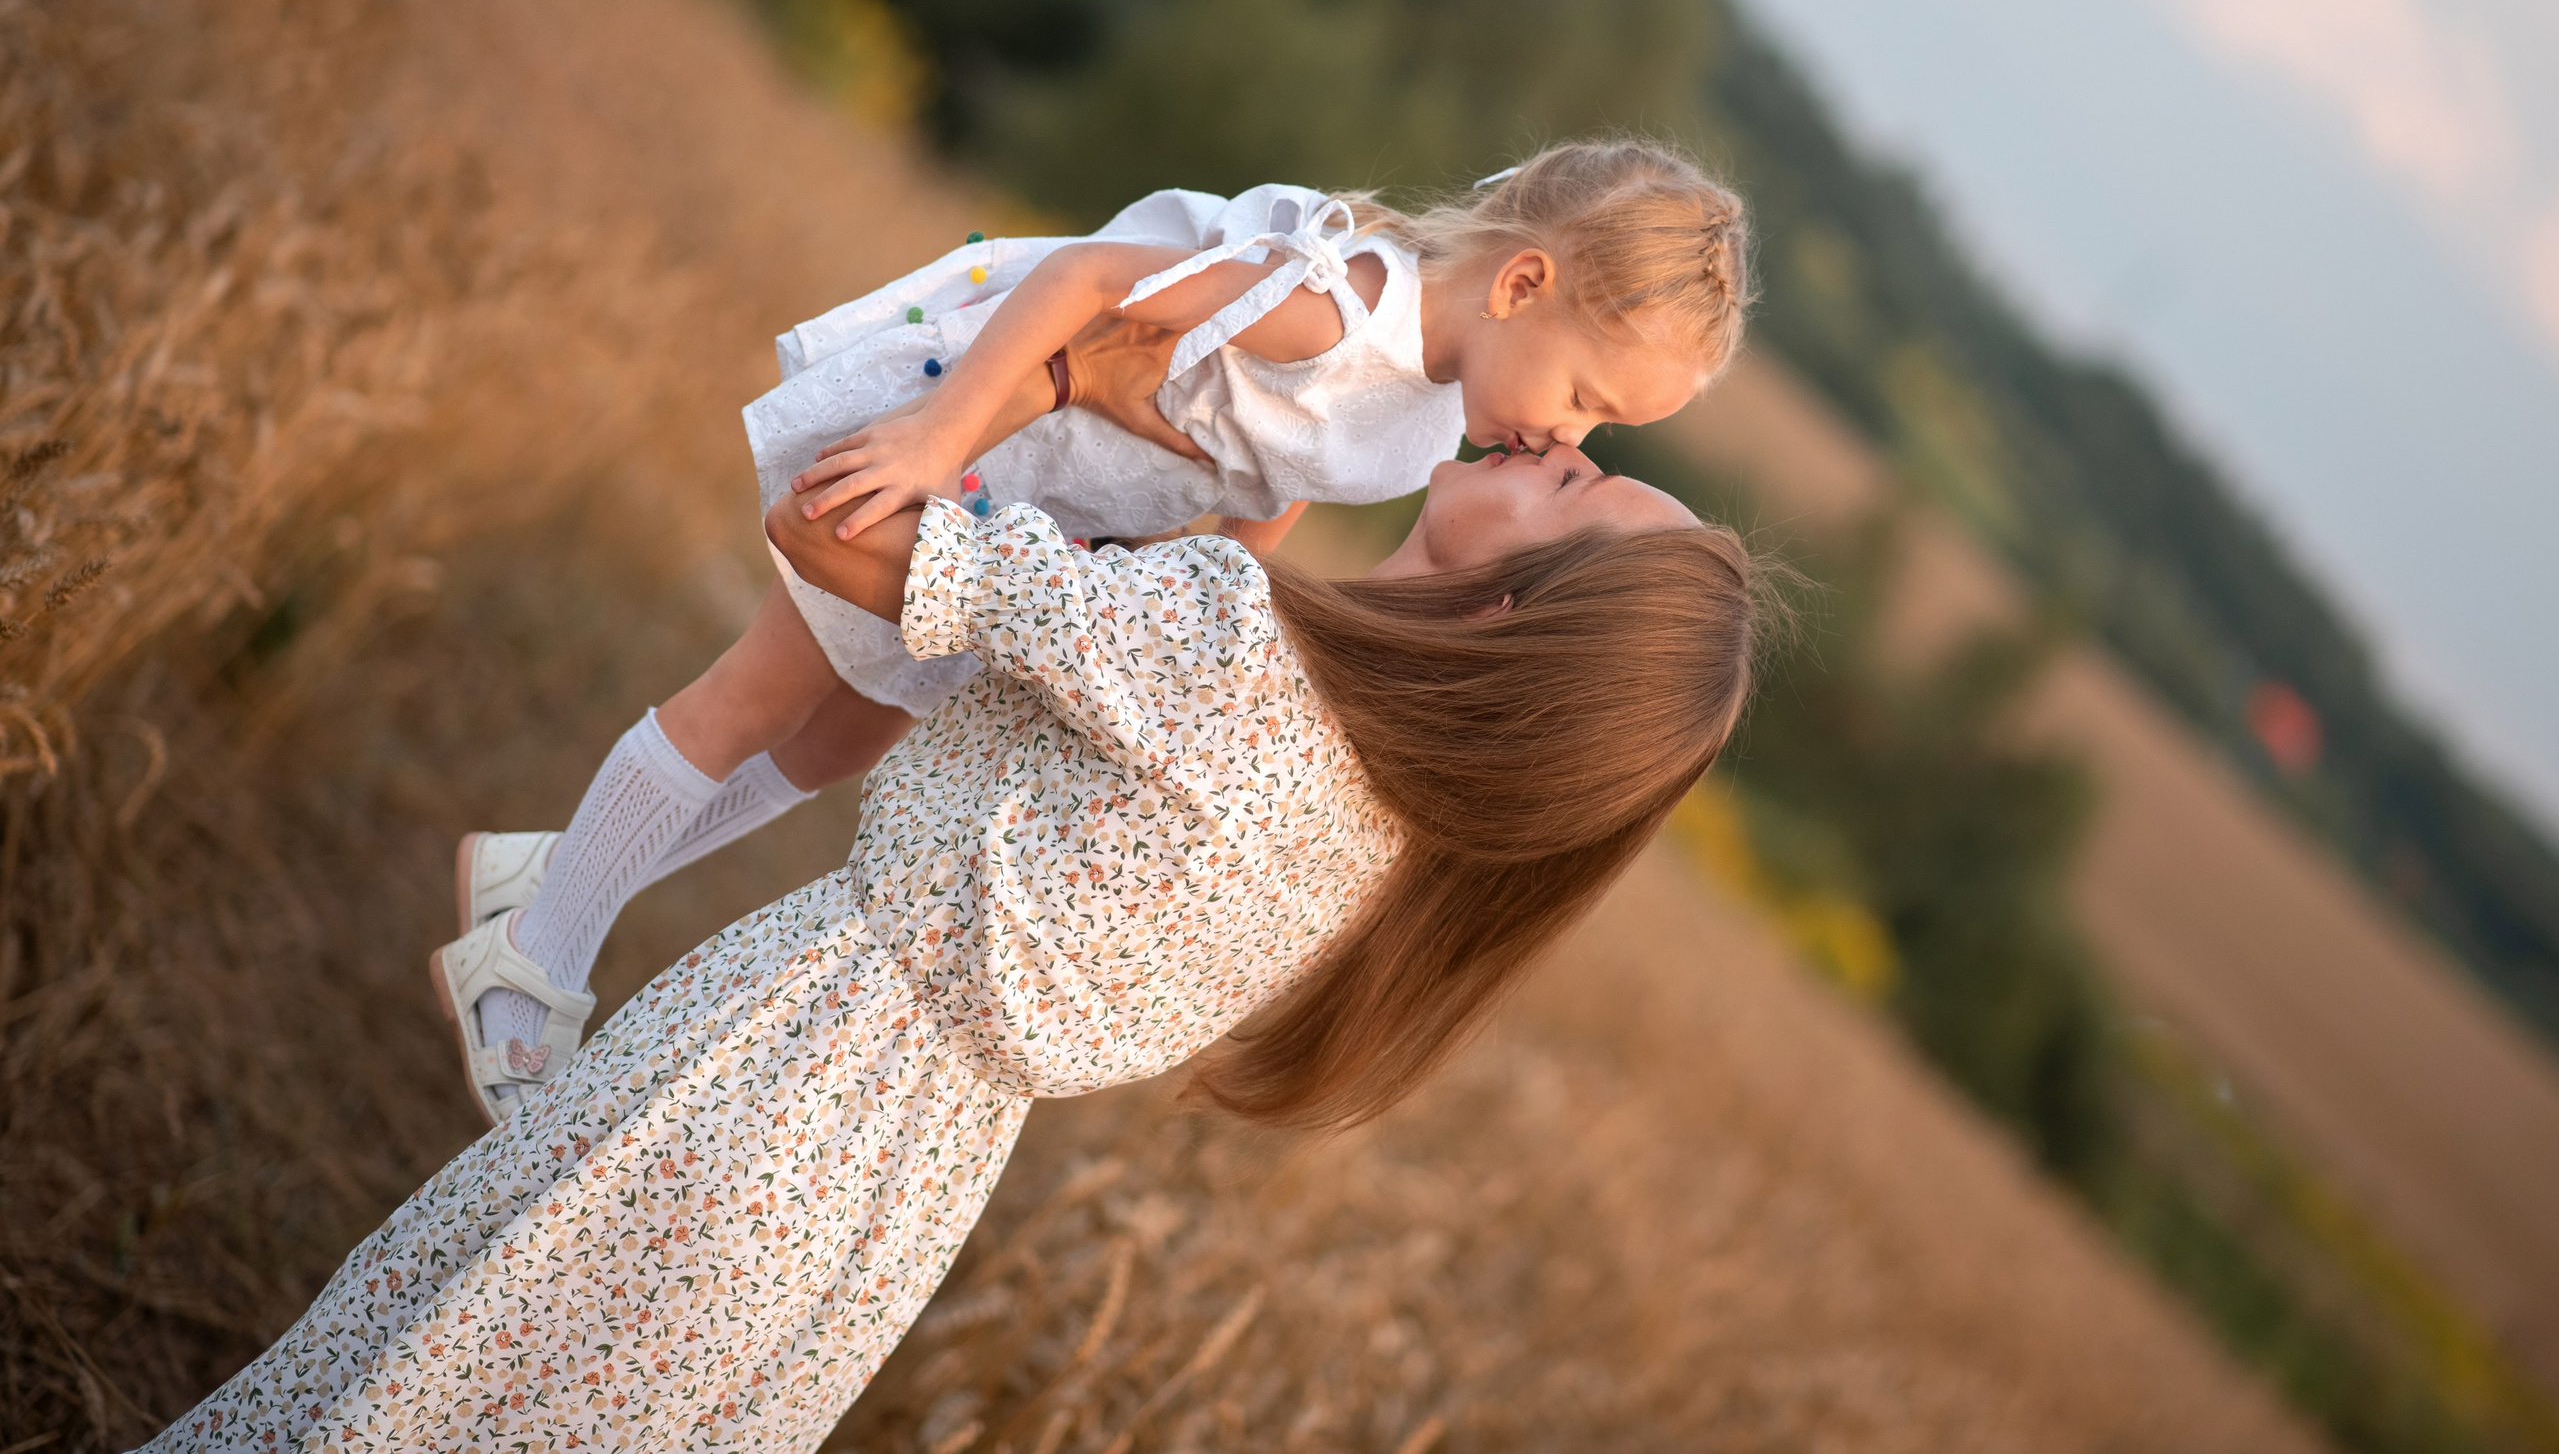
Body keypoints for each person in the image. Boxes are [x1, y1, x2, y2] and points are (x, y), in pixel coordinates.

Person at [150, 438, 1760, 1452]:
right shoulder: (1379, 845)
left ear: (1510, 616)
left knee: (422, 1381)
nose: (1560, 441)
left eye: (1576, 488)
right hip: (893, 1201)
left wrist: (999, 396)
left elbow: (831, 527)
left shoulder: (1230, 650)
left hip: (779, 1068)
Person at [439, 140, 1754, 1126]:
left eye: (1602, 431)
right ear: (1523, 282)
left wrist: (1205, 595)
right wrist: (938, 438)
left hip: (1062, 525)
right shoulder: (1334, 309)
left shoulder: (1419, 422)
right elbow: (1085, 278)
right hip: (992, 439)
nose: (1569, 435)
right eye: (1587, 398)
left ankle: (555, 869)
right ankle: (534, 954)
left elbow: (1270, 485)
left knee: (841, 742)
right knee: (752, 698)